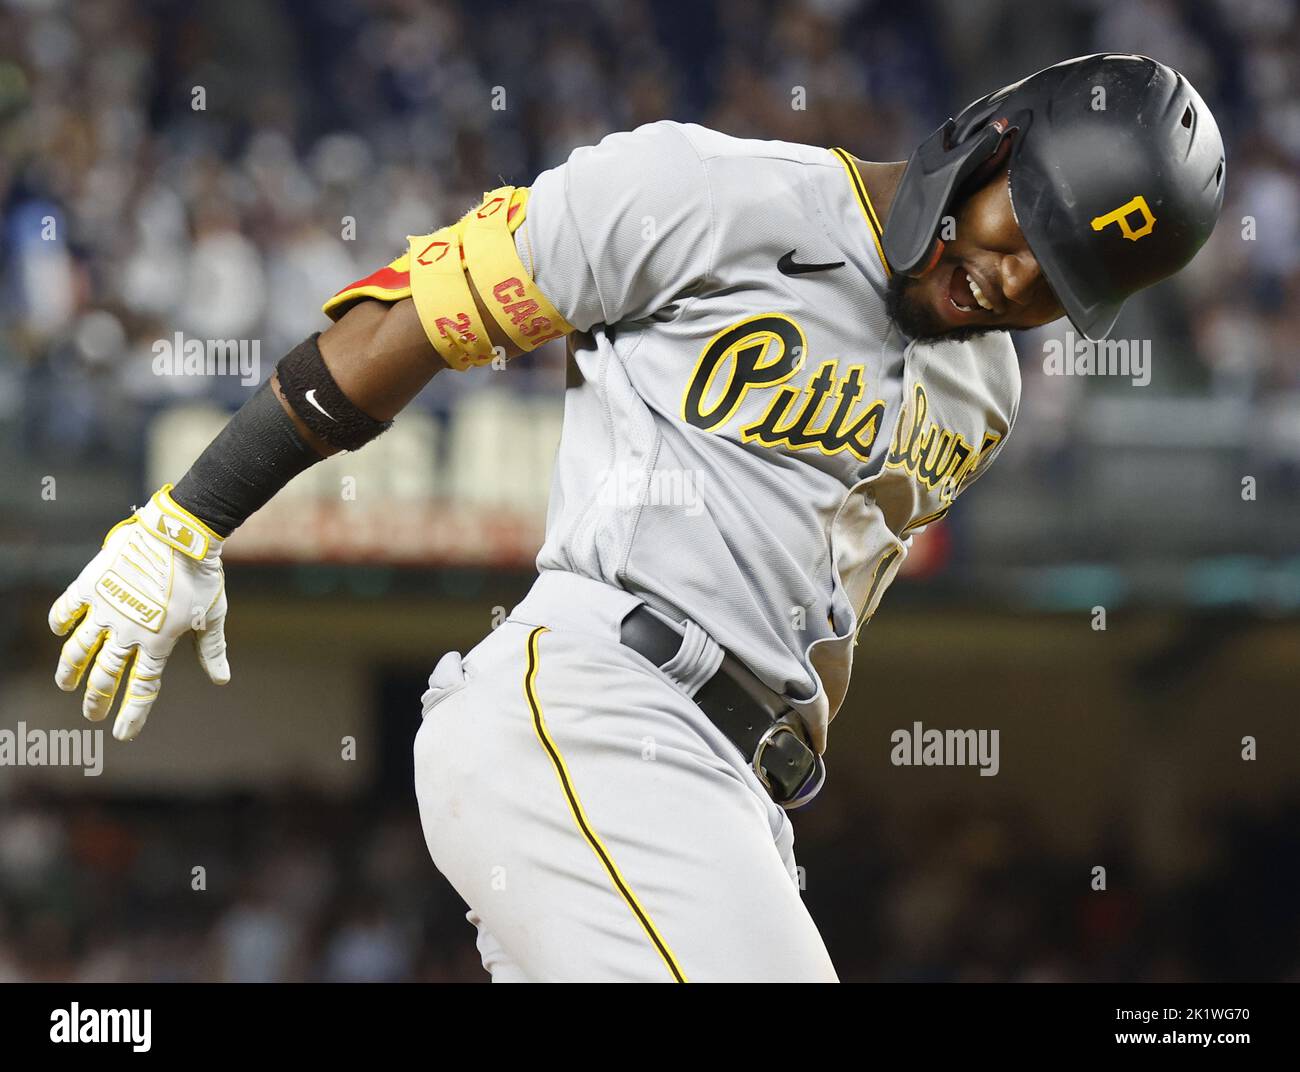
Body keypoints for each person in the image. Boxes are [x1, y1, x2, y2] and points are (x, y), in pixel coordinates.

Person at [48, 54, 1225, 981]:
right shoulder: (709, 192)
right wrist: (186, 520)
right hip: (602, 710)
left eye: (1061, 285)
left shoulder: (988, 392)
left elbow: (820, 614)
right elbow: (407, 321)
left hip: (726, 786)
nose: (1016, 285)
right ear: (989, 142)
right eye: (1027, 229)